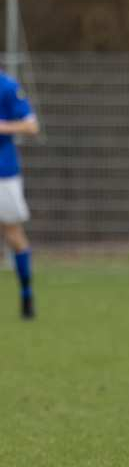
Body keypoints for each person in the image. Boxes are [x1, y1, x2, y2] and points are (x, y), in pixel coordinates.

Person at [0, 68, 39, 319]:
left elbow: (31, 126)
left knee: (13, 234)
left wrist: (4, 127)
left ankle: (26, 294)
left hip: (4, 174)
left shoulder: (6, 86)